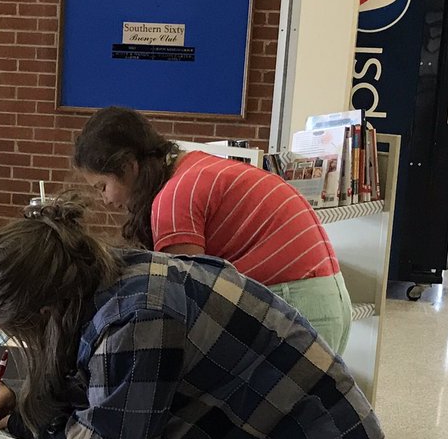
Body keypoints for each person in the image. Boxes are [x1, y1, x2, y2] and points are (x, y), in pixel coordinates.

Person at [0, 196, 414, 439]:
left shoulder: (136, 317)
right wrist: (26, 397)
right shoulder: (104, 275)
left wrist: (29, 421)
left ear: (47, 311)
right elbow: (97, 383)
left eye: (23, 334)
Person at [74, 107, 353, 354]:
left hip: (296, 302)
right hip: (328, 296)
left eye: (102, 187)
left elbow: (184, 303)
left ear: (128, 167)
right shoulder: (193, 166)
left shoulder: (172, 200)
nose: (106, 201)